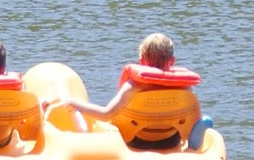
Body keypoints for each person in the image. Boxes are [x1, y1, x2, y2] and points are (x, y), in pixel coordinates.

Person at [55, 33, 202, 150]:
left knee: (88, 117)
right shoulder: (185, 87)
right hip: (169, 141)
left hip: (137, 142)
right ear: (172, 61)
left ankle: (83, 146)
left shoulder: (133, 86)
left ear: (142, 61)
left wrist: (74, 103)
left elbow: (106, 114)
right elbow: (194, 121)